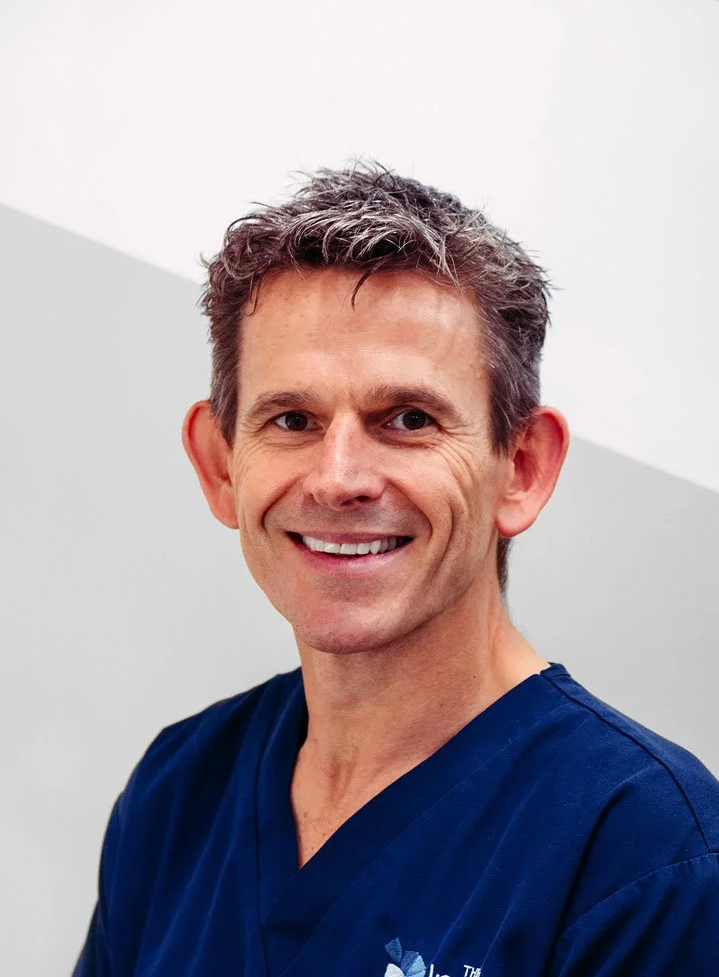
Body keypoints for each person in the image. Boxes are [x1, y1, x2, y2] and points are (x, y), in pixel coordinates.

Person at [72, 161, 719, 976]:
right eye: (292, 419)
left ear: (520, 468)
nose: (337, 478)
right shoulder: (178, 790)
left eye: (408, 419)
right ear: (220, 465)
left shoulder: (648, 854)